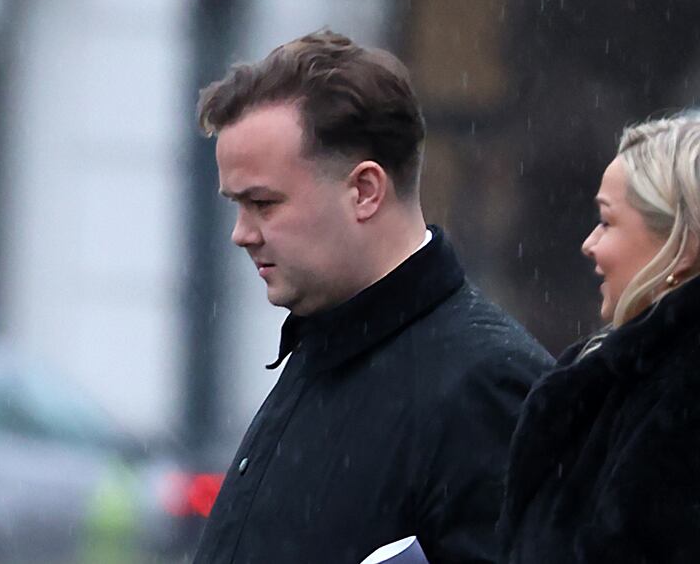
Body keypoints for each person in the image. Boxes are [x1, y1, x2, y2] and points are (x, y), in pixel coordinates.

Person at [193, 30, 552, 564]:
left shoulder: (485, 384)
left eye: (263, 203)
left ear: (364, 191)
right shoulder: (327, 342)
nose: (241, 233)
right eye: (237, 205)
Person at [499, 113, 700, 563]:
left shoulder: (676, 399)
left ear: (680, 247)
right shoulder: (621, 376)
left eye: (607, 222)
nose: (589, 244)